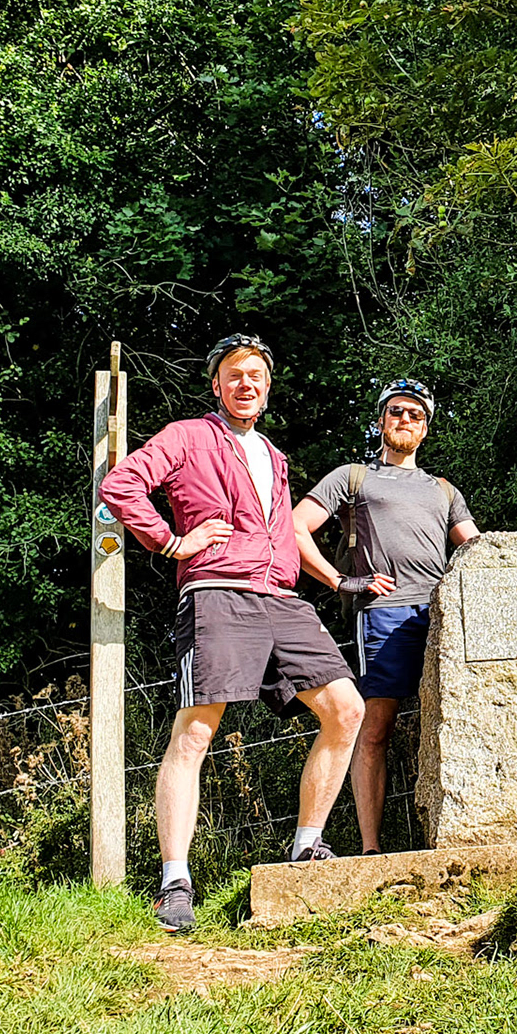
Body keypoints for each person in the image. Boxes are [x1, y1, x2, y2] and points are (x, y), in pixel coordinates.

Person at [101, 334, 367, 933]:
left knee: (346, 710)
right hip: (217, 593)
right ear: (217, 385)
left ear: (267, 389)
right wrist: (171, 542)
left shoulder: (274, 456)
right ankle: (174, 882)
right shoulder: (187, 436)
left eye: (256, 375)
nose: (246, 383)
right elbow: (121, 486)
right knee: (197, 732)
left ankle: (306, 847)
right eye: (234, 375)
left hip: (282, 599)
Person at [293, 379, 478, 854]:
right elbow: (294, 527)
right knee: (374, 729)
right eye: (396, 412)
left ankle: (458, 836)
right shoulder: (352, 477)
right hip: (382, 614)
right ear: (380, 420)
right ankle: (371, 848)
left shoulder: (443, 489)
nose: (404, 420)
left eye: (415, 415)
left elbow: (476, 549)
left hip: (441, 618)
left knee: (455, 723)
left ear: (426, 429)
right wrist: (340, 581)